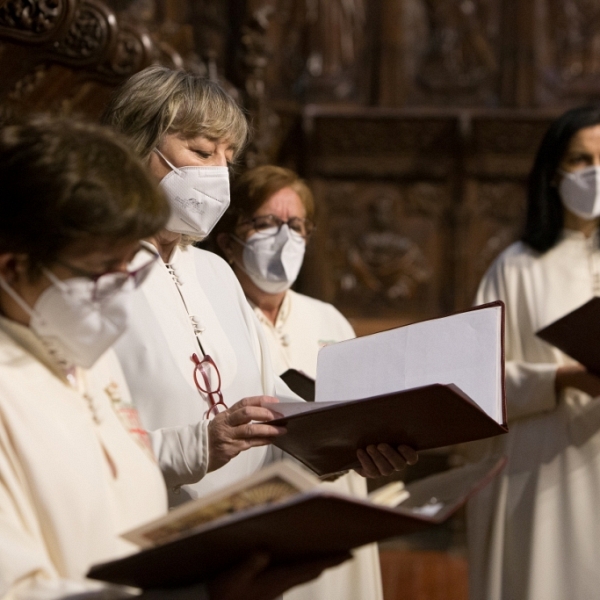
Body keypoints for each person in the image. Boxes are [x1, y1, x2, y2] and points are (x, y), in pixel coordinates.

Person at [0, 117, 349, 600]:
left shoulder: (82, 358)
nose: (124, 289)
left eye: (131, 266)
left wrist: (340, 439)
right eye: (104, 269)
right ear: (14, 267)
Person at [101, 65, 418, 506]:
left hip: (240, 530)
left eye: (228, 160)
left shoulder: (215, 272)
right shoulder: (91, 275)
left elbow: (273, 408)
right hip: (147, 530)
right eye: (202, 150)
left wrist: (347, 441)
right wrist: (194, 448)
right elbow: (74, 442)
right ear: (136, 147)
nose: (218, 175)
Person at [213, 165, 385, 600]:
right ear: (228, 242)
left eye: (295, 225)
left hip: (334, 507)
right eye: (266, 223)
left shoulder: (328, 318)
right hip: (255, 514)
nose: (284, 237)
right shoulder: (211, 318)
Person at [465, 105, 600, 600]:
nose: (594, 174)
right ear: (553, 173)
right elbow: (474, 382)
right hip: (541, 469)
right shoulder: (515, 267)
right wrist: (557, 379)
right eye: (581, 160)